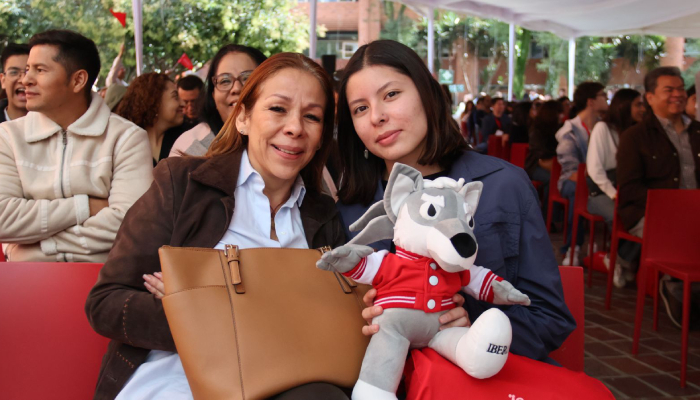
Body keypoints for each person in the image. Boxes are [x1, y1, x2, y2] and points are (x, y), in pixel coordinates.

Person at [85, 52, 348, 400]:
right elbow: (106, 302)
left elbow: (335, 323)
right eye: (278, 109)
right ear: (243, 118)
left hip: (286, 381)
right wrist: (212, 322)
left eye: (312, 116)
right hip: (177, 379)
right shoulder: (183, 184)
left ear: (322, 135)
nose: (295, 128)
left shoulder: (323, 216)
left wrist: (207, 302)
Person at [334, 40, 575, 374]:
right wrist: (359, 324)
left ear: (428, 94)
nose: (377, 116)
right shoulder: (352, 210)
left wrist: (469, 328)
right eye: (360, 108)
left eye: (391, 94)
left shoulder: (502, 186)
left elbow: (548, 318)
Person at [0, 30, 152, 262]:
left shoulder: (127, 138)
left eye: (40, 70)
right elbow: (3, 219)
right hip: (28, 279)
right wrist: (86, 206)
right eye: (28, 69)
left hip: (104, 279)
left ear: (78, 80)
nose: (26, 79)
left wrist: (34, 244)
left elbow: (132, 225)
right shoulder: (8, 136)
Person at [617, 66, 700, 328]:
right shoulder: (635, 137)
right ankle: (674, 283)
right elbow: (629, 189)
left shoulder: (697, 131)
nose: (678, 94)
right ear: (650, 97)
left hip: (695, 214)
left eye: (681, 89)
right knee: (685, 235)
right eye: (669, 90)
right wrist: (676, 208)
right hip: (650, 214)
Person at [586, 89, 644, 287]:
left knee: (645, 217)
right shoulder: (602, 128)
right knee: (622, 215)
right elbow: (594, 170)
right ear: (624, 106)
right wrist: (613, 194)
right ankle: (620, 259)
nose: (642, 109)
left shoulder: (636, 132)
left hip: (626, 191)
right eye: (638, 104)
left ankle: (619, 258)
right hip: (600, 192)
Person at [169, 44, 267, 157]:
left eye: (247, 78)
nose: (236, 88)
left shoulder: (282, 140)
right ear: (213, 95)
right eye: (225, 81)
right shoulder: (192, 149)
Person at [556, 82, 608, 266]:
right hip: (573, 180)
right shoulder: (569, 130)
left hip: (597, 181)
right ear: (590, 101)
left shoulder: (604, 127)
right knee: (577, 191)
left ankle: (609, 251)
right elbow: (570, 170)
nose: (607, 99)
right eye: (603, 95)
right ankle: (573, 246)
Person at [116, 73, 185, 165]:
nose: (183, 104)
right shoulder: (126, 144)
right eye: (175, 97)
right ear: (155, 101)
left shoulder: (186, 138)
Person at [0, 43, 30, 123]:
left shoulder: (56, 123)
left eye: (28, 71)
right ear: (3, 80)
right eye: (14, 72)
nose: (23, 80)